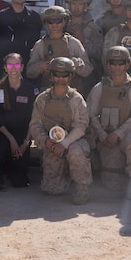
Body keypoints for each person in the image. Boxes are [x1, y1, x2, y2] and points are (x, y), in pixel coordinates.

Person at [87, 46, 131, 198]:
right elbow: (90, 114)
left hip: (124, 140)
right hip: (105, 141)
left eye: (121, 62)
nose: (117, 66)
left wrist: (118, 134)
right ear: (108, 65)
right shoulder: (99, 88)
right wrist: (103, 136)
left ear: (128, 64)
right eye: (113, 63)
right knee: (112, 184)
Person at [28, 57, 93, 204]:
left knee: (76, 152)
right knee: (52, 190)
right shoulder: (42, 99)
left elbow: (82, 125)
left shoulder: (76, 99)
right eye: (57, 74)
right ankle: (66, 174)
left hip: (74, 142)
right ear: (51, 75)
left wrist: (64, 144)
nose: (61, 78)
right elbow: (35, 125)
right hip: (52, 145)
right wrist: (46, 141)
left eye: (65, 75)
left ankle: (82, 187)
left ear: (70, 76)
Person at [0, 53, 39, 188]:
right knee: (1, 151)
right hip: (4, 133)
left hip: (23, 134)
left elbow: (35, 117)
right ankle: (1, 169)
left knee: (19, 182)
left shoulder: (30, 89)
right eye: (10, 65)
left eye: (17, 65)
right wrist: (11, 140)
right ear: (5, 68)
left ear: (22, 67)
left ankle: (14, 169)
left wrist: (26, 143)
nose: (14, 68)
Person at [26, 5, 93, 91]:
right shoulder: (40, 45)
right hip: (47, 91)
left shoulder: (73, 43)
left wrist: (75, 63)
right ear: (45, 23)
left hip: (71, 91)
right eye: (50, 21)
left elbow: (88, 70)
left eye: (58, 20)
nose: (54, 24)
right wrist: (40, 66)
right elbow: (29, 72)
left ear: (64, 22)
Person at [0, 0, 43, 80]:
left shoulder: (35, 18)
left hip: (28, 73)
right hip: (5, 72)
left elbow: (40, 46)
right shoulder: (0, 17)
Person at [64, 0, 104, 84]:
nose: (76, 7)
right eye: (73, 4)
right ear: (69, 5)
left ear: (85, 6)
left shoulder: (93, 28)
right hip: (63, 73)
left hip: (85, 76)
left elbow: (99, 54)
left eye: (80, 4)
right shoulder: (61, 25)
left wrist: (83, 40)